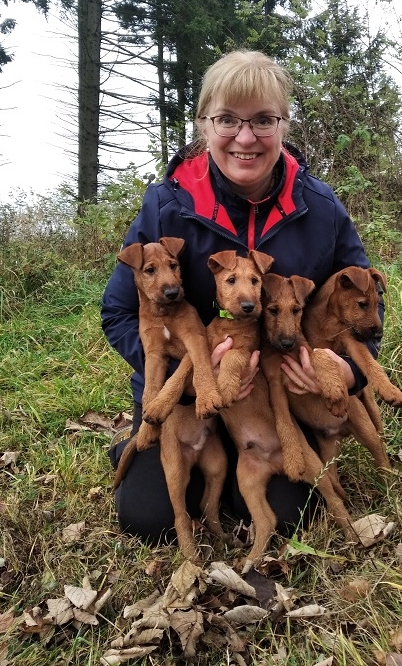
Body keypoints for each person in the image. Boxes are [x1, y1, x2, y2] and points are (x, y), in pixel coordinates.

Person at [101, 49, 383, 545]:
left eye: (263, 121)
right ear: (203, 124)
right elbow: (119, 312)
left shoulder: (320, 209)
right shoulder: (168, 205)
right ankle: (142, 447)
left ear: (284, 125)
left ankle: (241, 467)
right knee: (148, 519)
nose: (246, 138)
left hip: (275, 403)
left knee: (291, 516)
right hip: (186, 397)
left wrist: (351, 371)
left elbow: (364, 302)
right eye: (227, 119)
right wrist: (187, 372)